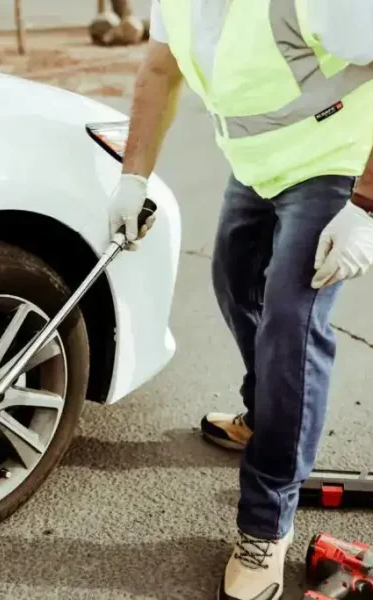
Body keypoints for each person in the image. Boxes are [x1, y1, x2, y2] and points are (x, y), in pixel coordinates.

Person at [109, 1, 373, 599]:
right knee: (234, 284)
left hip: (334, 166)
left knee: (290, 327)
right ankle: (269, 416)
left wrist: (365, 207)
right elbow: (158, 71)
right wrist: (133, 177)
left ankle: (265, 523)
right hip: (256, 167)